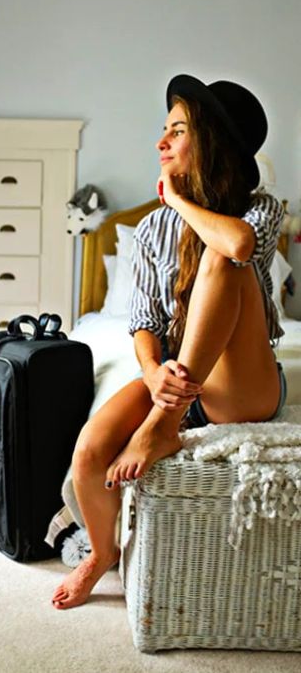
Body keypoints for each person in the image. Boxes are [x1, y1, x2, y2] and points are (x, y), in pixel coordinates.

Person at [52, 74, 286, 610]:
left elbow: (237, 243)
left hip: (239, 386)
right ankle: (100, 555)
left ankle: (160, 429)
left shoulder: (261, 208)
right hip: (180, 376)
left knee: (223, 260)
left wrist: (177, 201)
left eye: (176, 131)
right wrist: (154, 370)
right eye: (164, 130)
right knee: (89, 453)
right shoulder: (153, 230)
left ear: (209, 143)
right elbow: (142, 324)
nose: (160, 142)